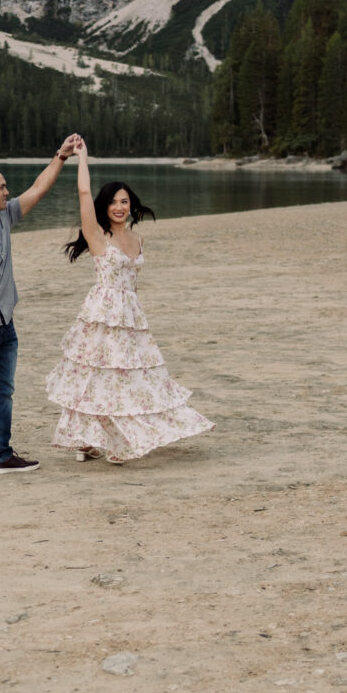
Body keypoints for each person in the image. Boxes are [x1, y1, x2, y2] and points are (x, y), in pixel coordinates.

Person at [46, 139, 214, 464]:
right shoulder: (97, 235)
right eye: (113, 202)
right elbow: (83, 194)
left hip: (131, 316)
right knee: (101, 376)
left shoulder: (137, 238)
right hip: (103, 314)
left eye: (124, 201)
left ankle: (102, 441)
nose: (119, 207)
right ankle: (95, 441)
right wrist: (82, 158)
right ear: (105, 207)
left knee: (130, 378)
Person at [0, 134, 81, 474]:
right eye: (2, 187)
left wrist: (61, 157)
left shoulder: (5, 216)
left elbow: (38, 189)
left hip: (6, 323)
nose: (7, 192)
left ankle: (1, 456)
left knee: (3, 392)